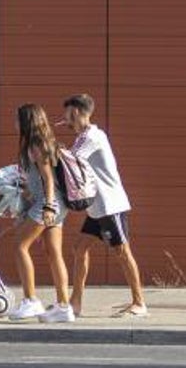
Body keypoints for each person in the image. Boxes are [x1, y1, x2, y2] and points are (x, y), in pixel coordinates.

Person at [59, 93, 147, 318]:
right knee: (79, 250)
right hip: (96, 208)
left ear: (77, 112)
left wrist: (49, 146)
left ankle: (139, 303)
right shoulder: (83, 137)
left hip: (110, 205)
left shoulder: (93, 137)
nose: (65, 119)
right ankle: (75, 302)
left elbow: (71, 161)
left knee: (122, 251)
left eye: (67, 114)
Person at [7, 103, 74, 323]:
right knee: (53, 253)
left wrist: (46, 206)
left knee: (20, 246)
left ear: (27, 121)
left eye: (17, 119)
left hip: (49, 203)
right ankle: (63, 306)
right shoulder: (41, 142)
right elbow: (38, 179)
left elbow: (47, 179)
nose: (14, 123)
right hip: (54, 204)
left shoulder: (37, 144)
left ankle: (30, 300)